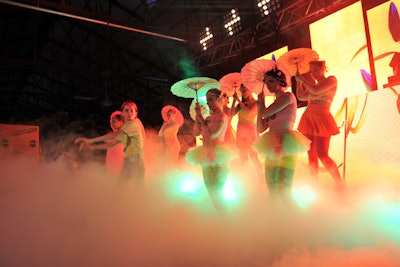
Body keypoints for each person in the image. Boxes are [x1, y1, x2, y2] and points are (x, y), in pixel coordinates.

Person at [253, 67, 310, 211]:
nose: (268, 85)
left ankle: (298, 222)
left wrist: (261, 104)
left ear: (280, 81)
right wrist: (260, 105)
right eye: (266, 82)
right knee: (272, 189)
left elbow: (266, 112)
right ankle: (279, 222)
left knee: (284, 190)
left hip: (286, 144)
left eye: (271, 81)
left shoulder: (288, 96)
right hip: (272, 144)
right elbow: (260, 128)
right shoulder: (273, 104)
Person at [295, 60, 344, 191]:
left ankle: (339, 183)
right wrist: (298, 82)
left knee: (323, 154)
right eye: (311, 71)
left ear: (323, 68)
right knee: (311, 155)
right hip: (309, 118)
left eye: (315, 70)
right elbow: (300, 96)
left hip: (322, 118)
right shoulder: (312, 85)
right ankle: (314, 185)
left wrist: (304, 81)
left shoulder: (331, 80)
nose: (313, 74)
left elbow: (316, 91)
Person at [185, 88, 236, 213]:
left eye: (211, 100)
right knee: (211, 191)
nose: (208, 103)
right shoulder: (208, 117)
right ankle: (223, 219)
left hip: (219, 156)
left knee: (216, 192)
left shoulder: (223, 116)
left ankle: (228, 220)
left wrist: (202, 120)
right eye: (207, 100)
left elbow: (212, 135)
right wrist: (198, 116)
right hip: (207, 154)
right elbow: (197, 132)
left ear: (219, 100)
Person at [75, 100, 146, 184]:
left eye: (132, 111)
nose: (129, 113)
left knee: (133, 188)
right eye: (126, 110)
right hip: (128, 161)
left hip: (135, 161)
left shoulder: (133, 125)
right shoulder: (126, 130)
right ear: (122, 113)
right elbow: (112, 144)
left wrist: (90, 140)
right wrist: (91, 147)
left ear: (136, 113)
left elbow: (113, 135)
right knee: (122, 188)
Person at [231, 84, 263, 171]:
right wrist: (234, 101)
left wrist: (239, 101)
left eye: (244, 90)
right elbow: (232, 113)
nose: (243, 93)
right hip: (240, 131)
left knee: (253, 157)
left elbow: (249, 112)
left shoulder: (256, 102)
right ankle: (246, 176)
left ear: (250, 90)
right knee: (243, 157)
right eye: (241, 91)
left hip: (250, 132)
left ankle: (261, 175)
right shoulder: (241, 104)